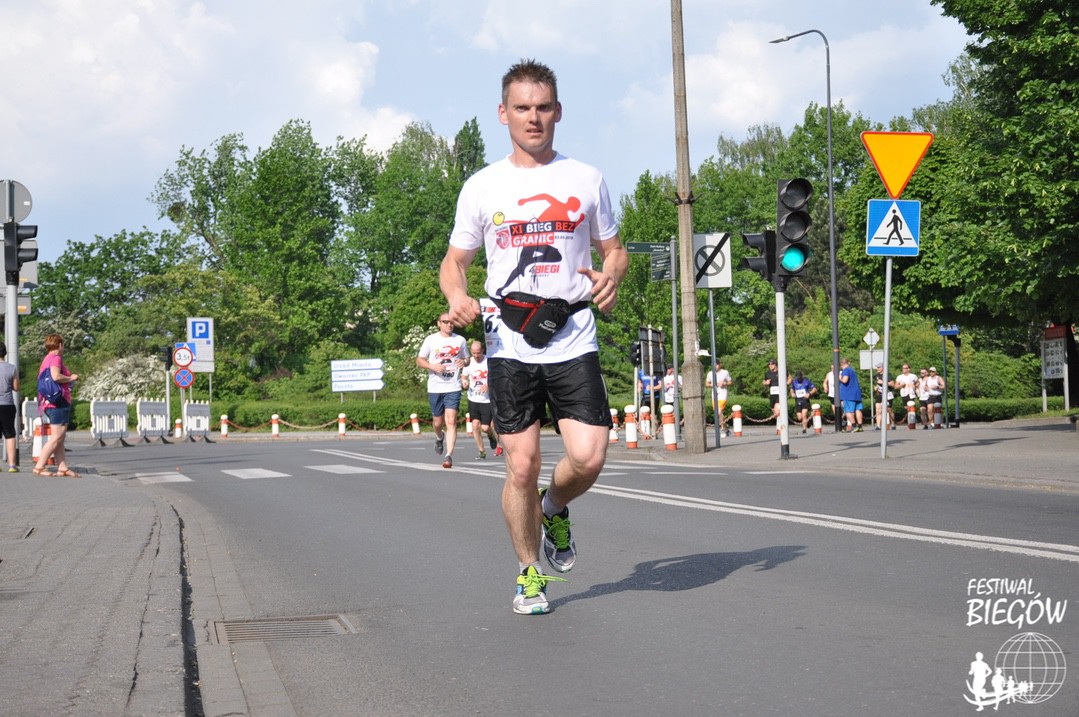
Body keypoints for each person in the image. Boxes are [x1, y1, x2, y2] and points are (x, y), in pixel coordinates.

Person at [440, 59, 627, 615]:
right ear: (503, 113)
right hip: (509, 339)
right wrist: (457, 296)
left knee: (589, 457)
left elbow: (614, 250)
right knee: (520, 463)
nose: (533, 117)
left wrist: (612, 275)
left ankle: (553, 505)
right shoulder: (482, 186)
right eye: (522, 108)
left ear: (558, 111)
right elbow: (454, 262)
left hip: (573, 331)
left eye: (543, 107)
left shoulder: (586, 178)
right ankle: (528, 574)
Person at [416, 313, 468, 468]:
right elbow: (419, 360)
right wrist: (432, 366)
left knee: (451, 421)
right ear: (439, 323)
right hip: (435, 386)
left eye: (452, 322)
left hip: (453, 386)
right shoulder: (431, 340)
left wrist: (464, 362)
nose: (449, 324)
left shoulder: (460, 340)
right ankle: (439, 437)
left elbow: (467, 358)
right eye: (445, 322)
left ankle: (448, 456)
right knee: (438, 423)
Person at [32, 334, 79, 477]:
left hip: (49, 402)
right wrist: (71, 378)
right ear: (59, 345)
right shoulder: (56, 358)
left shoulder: (46, 359)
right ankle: (39, 466)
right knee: (56, 438)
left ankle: (62, 467)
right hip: (58, 402)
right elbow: (56, 376)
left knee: (60, 438)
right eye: (63, 345)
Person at [462, 340, 501, 459]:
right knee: (475, 425)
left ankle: (491, 436)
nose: (476, 356)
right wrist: (464, 382)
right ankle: (481, 451)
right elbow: (464, 376)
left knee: (485, 427)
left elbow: (497, 376)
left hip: (487, 399)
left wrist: (488, 385)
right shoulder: (469, 362)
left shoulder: (488, 361)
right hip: (473, 398)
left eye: (478, 353)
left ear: (482, 350)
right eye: (473, 353)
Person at [0, 343, 20, 472]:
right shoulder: (12, 368)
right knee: (10, 434)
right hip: (7, 405)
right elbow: (16, 387)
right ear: (5, 353)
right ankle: (12, 465)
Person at [705, 360, 732, 436]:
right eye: (713, 365)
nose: (715, 366)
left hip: (723, 394)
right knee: (718, 413)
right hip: (714, 394)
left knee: (719, 411)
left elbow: (730, 382)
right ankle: (726, 428)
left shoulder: (725, 372)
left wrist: (724, 383)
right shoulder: (710, 373)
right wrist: (712, 385)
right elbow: (707, 383)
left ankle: (722, 429)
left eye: (716, 365)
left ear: (720, 365)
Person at [838, 357, 864, 432]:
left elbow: (845, 380)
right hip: (857, 394)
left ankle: (854, 426)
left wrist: (840, 378)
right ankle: (860, 426)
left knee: (848, 411)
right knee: (858, 409)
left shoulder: (846, 371)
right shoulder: (852, 370)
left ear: (841, 364)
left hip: (848, 394)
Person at [762, 358, 785, 432]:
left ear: (776, 364)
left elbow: (790, 378)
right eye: (769, 364)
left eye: (772, 364)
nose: (770, 366)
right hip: (772, 394)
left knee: (777, 411)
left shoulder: (781, 371)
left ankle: (779, 429)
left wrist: (785, 384)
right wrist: (766, 383)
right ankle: (783, 421)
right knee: (775, 412)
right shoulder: (768, 373)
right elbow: (763, 381)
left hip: (780, 394)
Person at [873, 363, 896, 430]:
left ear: (883, 368)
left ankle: (893, 423)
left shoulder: (888, 375)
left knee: (888, 410)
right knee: (878, 409)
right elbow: (878, 384)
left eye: (879, 367)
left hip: (888, 394)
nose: (877, 369)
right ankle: (878, 426)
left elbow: (892, 384)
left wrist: (883, 382)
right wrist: (876, 387)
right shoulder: (877, 375)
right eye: (877, 367)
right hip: (880, 394)